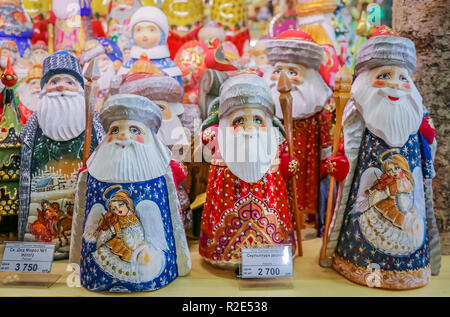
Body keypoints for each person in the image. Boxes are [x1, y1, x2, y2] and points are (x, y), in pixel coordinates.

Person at [321, 26, 441, 290]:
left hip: (408, 198)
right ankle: (359, 264)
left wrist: (427, 135)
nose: (395, 84)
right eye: (384, 75)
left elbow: (427, 148)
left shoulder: (414, 113)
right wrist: (340, 163)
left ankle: (411, 266)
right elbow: (348, 153)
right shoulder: (360, 111)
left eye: (402, 77)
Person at [70, 94, 191, 292]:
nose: (124, 136)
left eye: (134, 130)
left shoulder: (161, 168)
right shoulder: (94, 170)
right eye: (115, 129)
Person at [199, 73, 299, 269]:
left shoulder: (275, 137)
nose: (249, 126)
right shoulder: (219, 136)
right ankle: (224, 254)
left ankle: (272, 252)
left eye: (256, 119)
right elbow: (206, 137)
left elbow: (286, 156)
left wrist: (289, 163)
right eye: (239, 121)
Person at [19, 50, 104, 259]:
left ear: (79, 87)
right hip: (43, 192)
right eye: (54, 80)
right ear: (43, 88)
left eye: (69, 81)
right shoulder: (34, 124)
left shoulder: (91, 119)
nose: (61, 85)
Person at [264, 30, 333, 236]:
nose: (283, 80)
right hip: (273, 157)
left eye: (293, 72)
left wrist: (326, 156)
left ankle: (304, 224)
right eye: (278, 72)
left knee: (305, 188)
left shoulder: (318, 108)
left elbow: (326, 135)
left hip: (307, 158)